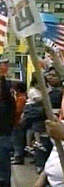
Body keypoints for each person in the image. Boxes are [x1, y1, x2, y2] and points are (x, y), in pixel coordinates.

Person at [0, 57, 16, 187]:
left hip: (3, 132)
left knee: (3, 162)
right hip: (5, 132)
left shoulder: (7, 88)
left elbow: (11, 108)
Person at [11, 82, 27, 165]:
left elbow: (17, 110)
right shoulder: (19, 97)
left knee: (17, 140)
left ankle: (18, 157)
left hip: (18, 122)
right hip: (16, 121)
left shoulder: (21, 98)